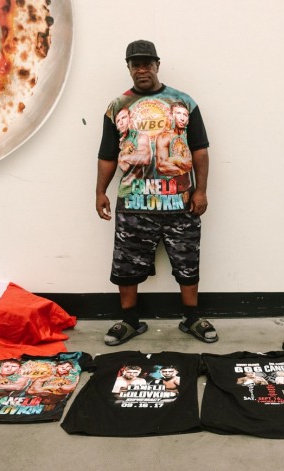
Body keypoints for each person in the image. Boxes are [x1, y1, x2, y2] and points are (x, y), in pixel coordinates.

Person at [95, 39, 216, 346]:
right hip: (133, 202)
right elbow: (107, 155)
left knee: (187, 263)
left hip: (180, 202)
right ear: (129, 68)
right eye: (136, 64)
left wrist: (201, 191)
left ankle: (191, 318)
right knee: (126, 266)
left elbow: (200, 150)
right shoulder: (117, 107)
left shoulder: (184, 102)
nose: (142, 69)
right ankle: (130, 322)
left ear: (157, 65)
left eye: (147, 63)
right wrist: (100, 192)